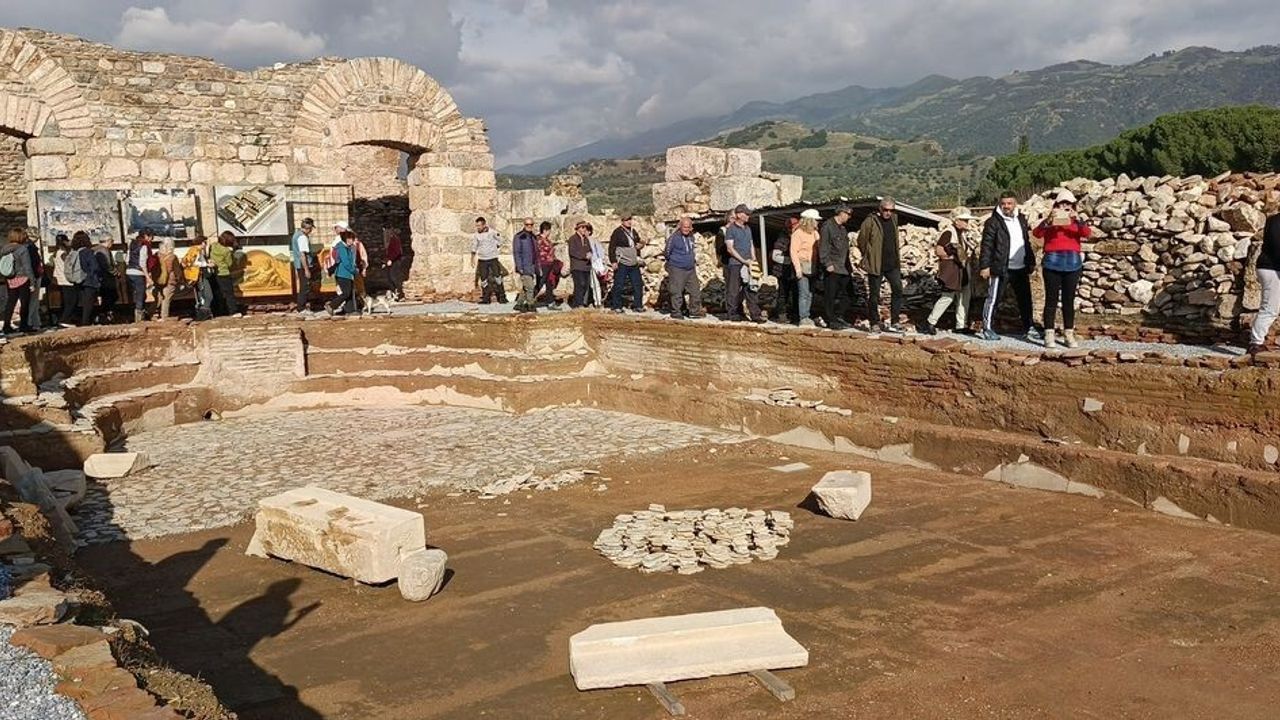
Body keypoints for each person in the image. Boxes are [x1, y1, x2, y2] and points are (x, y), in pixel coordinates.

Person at [1033, 190, 1091, 348]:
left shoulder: (1076, 221)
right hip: (1052, 261)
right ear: (1056, 205)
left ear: (1073, 206)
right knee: (1051, 300)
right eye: (1061, 204)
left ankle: (1069, 334)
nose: (1065, 207)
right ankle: (1049, 334)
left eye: (1068, 204)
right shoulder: (1050, 221)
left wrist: (1078, 220)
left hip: (1072, 262)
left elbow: (1087, 233)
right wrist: (1049, 220)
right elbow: (1037, 234)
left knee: (1068, 301)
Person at [979, 191, 1037, 341]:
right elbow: (986, 246)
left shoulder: (1021, 219)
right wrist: (984, 266)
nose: (1006, 206)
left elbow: (1026, 242)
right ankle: (987, 328)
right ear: (1000, 204)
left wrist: (1030, 261)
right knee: (994, 299)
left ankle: (1029, 327)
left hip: (1020, 267)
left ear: (1015, 204)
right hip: (1001, 267)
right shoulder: (993, 222)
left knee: (1025, 299)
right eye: (1003, 203)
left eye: (1009, 203)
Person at [918, 208, 980, 335]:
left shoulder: (960, 234)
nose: (967, 222)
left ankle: (961, 325)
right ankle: (930, 322)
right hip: (952, 270)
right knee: (948, 296)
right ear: (956, 221)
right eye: (964, 220)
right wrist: (952, 257)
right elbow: (939, 250)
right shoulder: (948, 233)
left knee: (964, 296)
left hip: (961, 270)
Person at [858, 197, 905, 332]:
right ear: (880, 209)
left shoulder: (894, 219)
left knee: (898, 290)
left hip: (892, 264)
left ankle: (895, 321)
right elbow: (862, 240)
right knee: (874, 295)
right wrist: (868, 255)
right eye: (885, 210)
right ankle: (874, 322)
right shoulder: (871, 221)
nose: (888, 213)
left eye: (891, 210)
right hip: (876, 264)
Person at [723, 204, 763, 323]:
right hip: (735, 263)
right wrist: (743, 260)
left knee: (751, 288)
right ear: (739, 214)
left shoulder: (748, 229)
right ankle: (733, 313)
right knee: (734, 290)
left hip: (748, 263)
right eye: (746, 214)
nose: (748, 216)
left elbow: (751, 244)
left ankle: (755, 314)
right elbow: (730, 248)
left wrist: (753, 259)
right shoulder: (731, 229)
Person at [1249, 205, 1280, 355]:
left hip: (1270, 267)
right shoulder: (1276, 222)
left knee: (1270, 308)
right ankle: (1256, 343)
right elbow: (1276, 247)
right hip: (1272, 268)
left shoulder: (1273, 220)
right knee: (1270, 309)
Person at [818, 205, 853, 330]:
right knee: (830, 295)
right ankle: (830, 320)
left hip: (843, 267)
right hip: (832, 266)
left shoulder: (843, 229)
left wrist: (849, 268)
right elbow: (823, 246)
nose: (849, 217)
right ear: (841, 213)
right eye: (848, 214)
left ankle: (839, 316)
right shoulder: (828, 227)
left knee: (848, 294)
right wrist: (827, 263)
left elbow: (845, 250)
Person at [664, 217, 702, 319]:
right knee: (677, 291)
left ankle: (694, 311)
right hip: (677, 268)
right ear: (680, 226)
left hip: (690, 269)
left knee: (695, 290)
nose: (686, 229)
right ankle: (676, 312)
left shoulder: (691, 237)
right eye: (684, 227)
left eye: (688, 227)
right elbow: (667, 252)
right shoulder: (674, 238)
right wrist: (673, 263)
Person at [58, 232, 98, 328]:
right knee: (89, 303)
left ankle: (83, 321)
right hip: (89, 280)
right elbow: (94, 267)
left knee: (83, 302)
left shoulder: (74, 253)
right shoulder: (88, 252)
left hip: (78, 280)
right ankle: (86, 323)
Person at [608, 214, 645, 313]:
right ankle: (616, 306)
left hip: (633, 262)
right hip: (622, 262)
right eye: (626, 220)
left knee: (638, 284)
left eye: (630, 219)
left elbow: (637, 243)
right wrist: (613, 261)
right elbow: (612, 247)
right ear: (622, 221)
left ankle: (638, 305)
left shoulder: (633, 231)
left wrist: (641, 244)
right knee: (619, 284)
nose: (629, 221)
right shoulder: (617, 232)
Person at [0, 229, 34, 335]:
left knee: (10, 302)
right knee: (25, 303)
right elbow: (27, 267)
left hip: (10, 278)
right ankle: (23, 325)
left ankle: (6, 325)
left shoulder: (5, 249)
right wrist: (32, 281)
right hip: (23, 278)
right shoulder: (22, 249)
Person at [791, 209, 821, 327]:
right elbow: (793, 251)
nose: (817, 223)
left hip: (813, 265)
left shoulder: (815, 233)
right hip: (802, 265)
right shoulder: (797, 234)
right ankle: (803, 317)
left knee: (810, 293)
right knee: (803, 292)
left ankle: (807, 315)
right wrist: (798, 269)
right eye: (816, 220)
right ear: (810, 221)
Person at [471, 216, 507, 304]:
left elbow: (501, 239)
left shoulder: (492, 232)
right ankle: (486, 298)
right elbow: (474, 246)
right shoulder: (476, 235)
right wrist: (472, 258)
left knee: (497, 278)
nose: (478, 227)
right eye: (477, 226)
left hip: (493, 258)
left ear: (484, 225)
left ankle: (502, 297)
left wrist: (496, 246)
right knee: (484, 279)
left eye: (479, 226)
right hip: (482, 259)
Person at [771, 217, 798, 324]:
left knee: (797, 293)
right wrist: (791, 260)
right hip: (783, 271)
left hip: (794, 270)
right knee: (783, 294)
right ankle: (781, 315)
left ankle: (796, 315)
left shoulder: (798, 237)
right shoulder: (782, 240)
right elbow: (775, 256)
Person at [326, 230, 359, 316]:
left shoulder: (346, 248)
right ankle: (331, 305)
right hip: (343, 274)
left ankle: (350, 310)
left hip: (347, 274)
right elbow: (346, 262)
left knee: (350, 293)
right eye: (352, 239)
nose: (353, 241)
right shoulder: (342, 248)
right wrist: (354, 271)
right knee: (346, 293)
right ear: (347, 239)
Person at [124, 230, 154, 322]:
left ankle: (134, 315)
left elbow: (127, 259)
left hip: (129, 272)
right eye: (151, 237)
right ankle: (139, 319)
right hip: (138, 273)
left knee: (135, 295)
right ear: (146, 236)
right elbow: (142, 263)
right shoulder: (144, 246)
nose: (151, 240)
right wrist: (148, 277)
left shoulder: (132, 244)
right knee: (140, 295)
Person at [182, 236, 213, 320]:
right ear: (202, 242)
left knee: (201, 296)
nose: (206, 244)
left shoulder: (193, 250)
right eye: (205, 243)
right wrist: (207, 265)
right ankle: (204, 313)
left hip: (195, 276)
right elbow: (194, 262)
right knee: (207, 295)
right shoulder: (196, 250)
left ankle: (202, 313)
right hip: (197, 275)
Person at [512, 217, 539, 313]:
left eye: (531, 224)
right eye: (527, 224)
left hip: (532, 266)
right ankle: (530, 304)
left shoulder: (533, 237)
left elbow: (536, 252)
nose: (529, 226)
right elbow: (517, 253)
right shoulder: (519, 236)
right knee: (530, 287)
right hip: (524, 266)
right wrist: (519, 267)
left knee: (526, 287)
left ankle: (519, 304)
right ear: (524, 225)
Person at [209, 231, 238, 317]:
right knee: (229, 293)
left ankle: (218, 312)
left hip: (214, 272)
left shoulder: (214, 246)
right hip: (224, 273)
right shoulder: (226, 251)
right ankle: (233, 311)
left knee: (217, 293)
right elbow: (229, 263)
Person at [290, 218, 316, 313]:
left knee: (303, 285)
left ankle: (301, 306)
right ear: (308, 228)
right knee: (304, 287)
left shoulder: (296, 234)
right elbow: (302, 254)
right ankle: (301, 307)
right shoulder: (303, 238)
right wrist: (306, 269)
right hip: (303, 265)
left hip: (299, 264)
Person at [533, 221, 561, 304]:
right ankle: (529, 299)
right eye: (549, 230)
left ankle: (550, 301)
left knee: (550, 283)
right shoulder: (537, 239)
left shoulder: (547, 240)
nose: (549, 232)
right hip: (543, 264)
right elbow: (537, 252)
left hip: (550, 264)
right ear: (545, 230)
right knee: (540, 283)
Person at [154, 238, 182, 321]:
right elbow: (177, 271)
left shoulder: (157, 255)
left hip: (159, 280)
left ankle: (151, 313)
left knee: (159, 297)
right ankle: (164, 317)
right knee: (166, 299)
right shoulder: (173, 257)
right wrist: (180, 280)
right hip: (170, 280)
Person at [91, 237, 117, 324]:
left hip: (97, 278)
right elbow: (107, 265)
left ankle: (101, 315)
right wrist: (115, 272)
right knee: (110, 297)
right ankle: (106, 316)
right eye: (112, 241)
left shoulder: (94, 249)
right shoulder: (104, 250)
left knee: (102, 297)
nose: (112, 243)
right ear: (108, 241)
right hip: (106, 278)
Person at [567, 221, 593, 308]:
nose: (584, 229)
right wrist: (584, 256)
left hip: (586, 266)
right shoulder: (572, 239)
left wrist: (590, 254)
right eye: (582, 227)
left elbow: (590, 249)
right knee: (579, 284)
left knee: (585, 284)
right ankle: (578, 303)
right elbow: (572, 252)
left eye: (585, 227)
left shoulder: (586, 239)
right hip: (577, 266)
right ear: (578, 229)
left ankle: (582, 302)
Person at [587, 223, 610, 308]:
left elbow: (600, 254)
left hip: (594, 264)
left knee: (594, 284)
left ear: (589, 231)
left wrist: (599, 263)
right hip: (589, 264)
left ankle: (598, 302)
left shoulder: (593, 241)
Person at [51, 233, 70, 316]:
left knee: (63, 298)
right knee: (69, 300)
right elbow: (69, 264)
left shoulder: (55, 253)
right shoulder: (63, 253)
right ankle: (65, 317)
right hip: (66, 278)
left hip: (58, 277)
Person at [383, 228, 405, 301]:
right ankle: (395, 294)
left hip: (395, 261)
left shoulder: (395, 240)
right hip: (391, 261)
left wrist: (391, 260)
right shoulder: (392, 240)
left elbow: (397, 252)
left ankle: (399, 295)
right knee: (390, 278)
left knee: (394, 278)